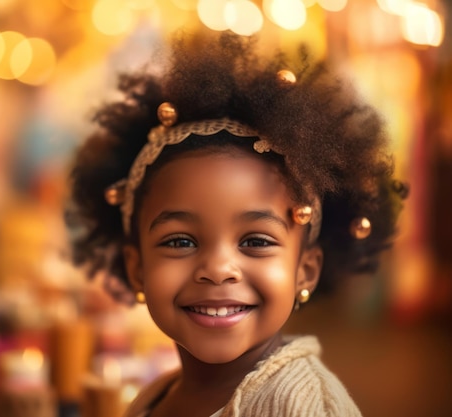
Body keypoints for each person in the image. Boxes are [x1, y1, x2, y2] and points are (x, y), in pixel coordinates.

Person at [66, 29, 408, 417]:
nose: (217, 270)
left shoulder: (306, 408)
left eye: (256, 241)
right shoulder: (154, 399)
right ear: (137, 267)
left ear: (305, 271)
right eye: (180, 242)